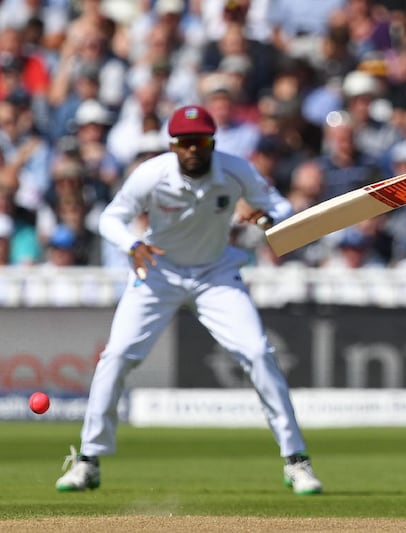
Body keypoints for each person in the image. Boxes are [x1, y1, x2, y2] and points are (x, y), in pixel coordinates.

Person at [55, 104, 322, 496]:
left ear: (212, 142)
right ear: (173, 146)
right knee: (116, 356)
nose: (193, 150)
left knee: (258, 352)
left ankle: (296, 461)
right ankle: (88, 461)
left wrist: (262, 215)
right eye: (184, 143)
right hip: (157, 272)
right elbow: (109, 218)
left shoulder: (235, 170)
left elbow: (281, 207)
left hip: (216, 274)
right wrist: (132, 244)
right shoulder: (152, 174)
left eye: (200, 141)